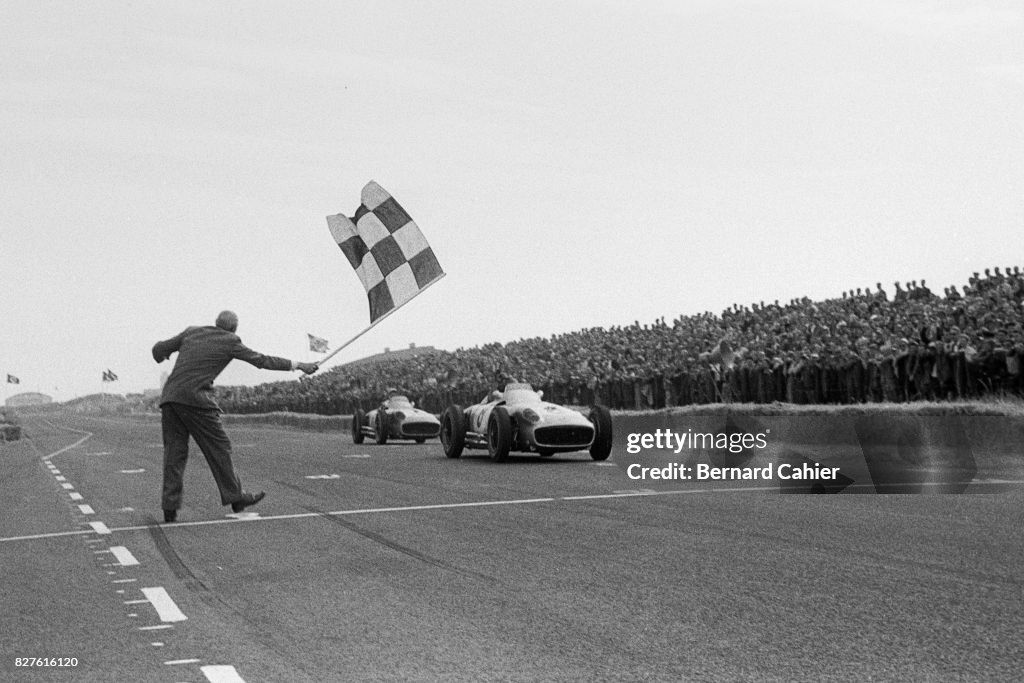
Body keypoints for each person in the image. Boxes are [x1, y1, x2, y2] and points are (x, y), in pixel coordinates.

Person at [152, 310, 319, 523]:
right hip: (196, 401)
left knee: (174, 454)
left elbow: (160, 348)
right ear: (234, 328)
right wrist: (299, 365)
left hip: (170, 399)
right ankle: (235, 497)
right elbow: (262, 360)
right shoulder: (230, 341)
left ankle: (170, 507)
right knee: (219, 448)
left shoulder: (192, 332)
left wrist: (160, 354)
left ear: (215, 323)